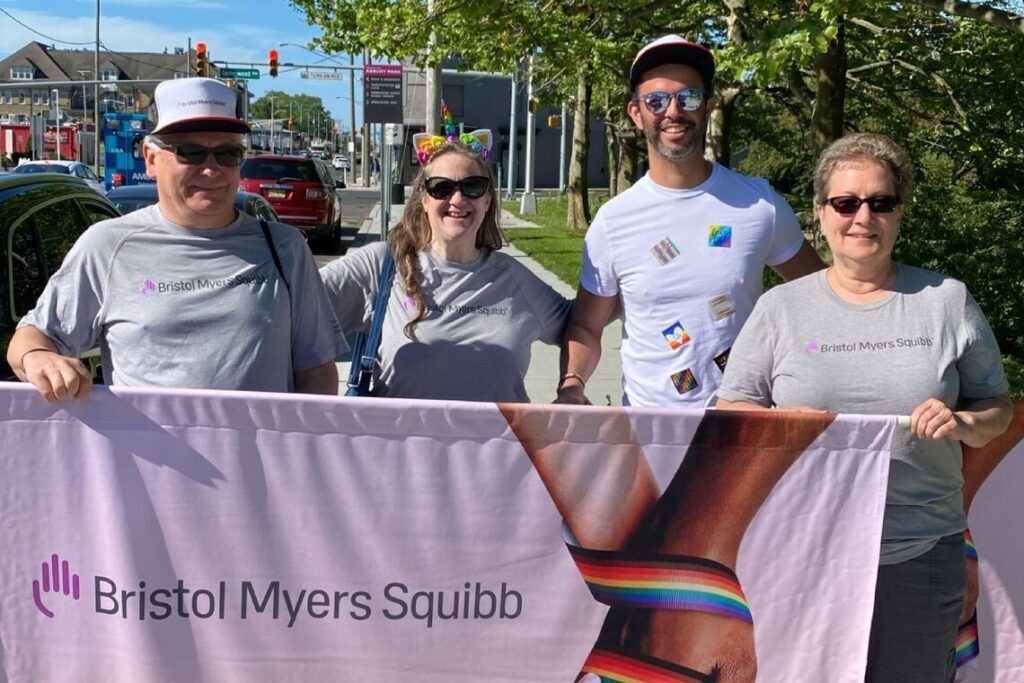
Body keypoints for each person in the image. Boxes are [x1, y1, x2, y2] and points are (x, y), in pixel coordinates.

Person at [716, 132, 1013, 682]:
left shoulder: (946, 300)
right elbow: (731, 413)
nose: (862, 218)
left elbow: (996, 406)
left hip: (919, 554)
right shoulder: (780, 308)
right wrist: (780, 427)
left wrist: (964, 422)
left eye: (880, 203)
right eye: (846, 203)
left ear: (899, 214)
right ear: (820, 214)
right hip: (798, 550)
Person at [7, 77, 346, 401]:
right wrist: (39, 358)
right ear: (151, 159)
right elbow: (32, 337)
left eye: (228, 154)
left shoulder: (285, 248)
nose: (212, 169)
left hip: (257, 461)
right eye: (191, 153)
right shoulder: (107, 246)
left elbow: (315, 370)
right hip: (148, 461)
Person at [557, 35, 824, 408]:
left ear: (708, 106)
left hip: (745, 424)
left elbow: (823, 297)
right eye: (656, 100)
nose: (673, 111)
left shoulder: (759, 204)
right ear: (636, 114)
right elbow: (587, 326)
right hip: (651, 431)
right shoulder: (613, 221)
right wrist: (572, 385)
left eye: (689, 98)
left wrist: (810, 377)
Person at [320, 136, 571, 402]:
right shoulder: (380, 266)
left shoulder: (515, 279)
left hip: (501, 443)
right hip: (402, 444)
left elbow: (584, 324)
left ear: (487, 201)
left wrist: (572, 386)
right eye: (441, 188)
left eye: (472, 187)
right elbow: (293, 311)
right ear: (423, 200)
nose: (458, 199)